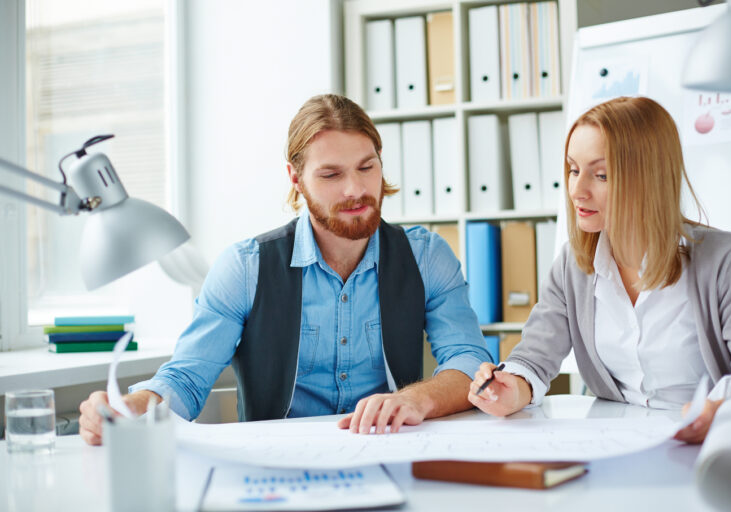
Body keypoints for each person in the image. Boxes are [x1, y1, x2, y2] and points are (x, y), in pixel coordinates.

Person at [79, 94, 492, 445]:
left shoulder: (426, 256)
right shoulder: (245, 268)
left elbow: (469, 361)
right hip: (277, 465)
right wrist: (127, 409)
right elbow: (187, 379)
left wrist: (415, 400)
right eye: (331, 174)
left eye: (367, 168)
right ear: (295, 178)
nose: (356, 190)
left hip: (390, 451)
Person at [468, 96, 731, 443]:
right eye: (573, 170)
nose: (577, 191)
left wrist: (726, 409)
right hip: (616, 446)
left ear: (648, 179)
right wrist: (510, 389)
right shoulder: (573, 264)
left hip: (710, 450)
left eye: (601, 175)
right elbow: (535, 357)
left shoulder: (724, 260)